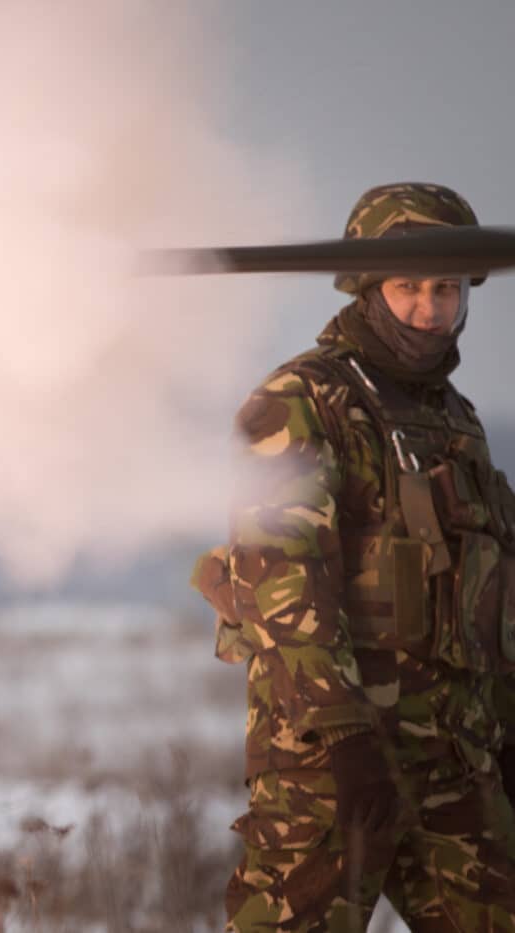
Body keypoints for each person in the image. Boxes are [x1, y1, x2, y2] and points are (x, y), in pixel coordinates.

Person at [193, 182, 515, 931]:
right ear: (368, 287)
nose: (429, 310)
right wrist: (343, 734)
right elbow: (281, 579)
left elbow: (487, 595)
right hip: (332, 760)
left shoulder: (456, 421)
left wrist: (506, 729)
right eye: (408, 287)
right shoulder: (302, 399)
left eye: (446, 288)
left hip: (453, 755)